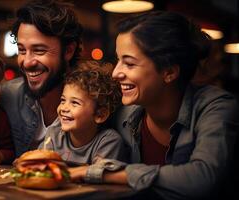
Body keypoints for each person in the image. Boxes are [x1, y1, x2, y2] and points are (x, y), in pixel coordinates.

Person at [69, 11, 238, 200]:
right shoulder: (123, 112)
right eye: (118, 60)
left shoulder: (217, 107)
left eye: (129, 64)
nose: (116, 73)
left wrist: (103, 173)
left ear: (169, 72)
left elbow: (203, 179)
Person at [0, 0, 83, 157]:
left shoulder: (96, 102)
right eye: (22, 50)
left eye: (39, 50)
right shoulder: (6, 95)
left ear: (68, 51)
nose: (27, 62)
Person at [39, 61, 123, 166]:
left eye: (74, 103)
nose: (64, 108)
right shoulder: (54, 133)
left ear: (100, 115)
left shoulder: (109, 141)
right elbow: (41, 165)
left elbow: (99, 173)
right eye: (63, 100)